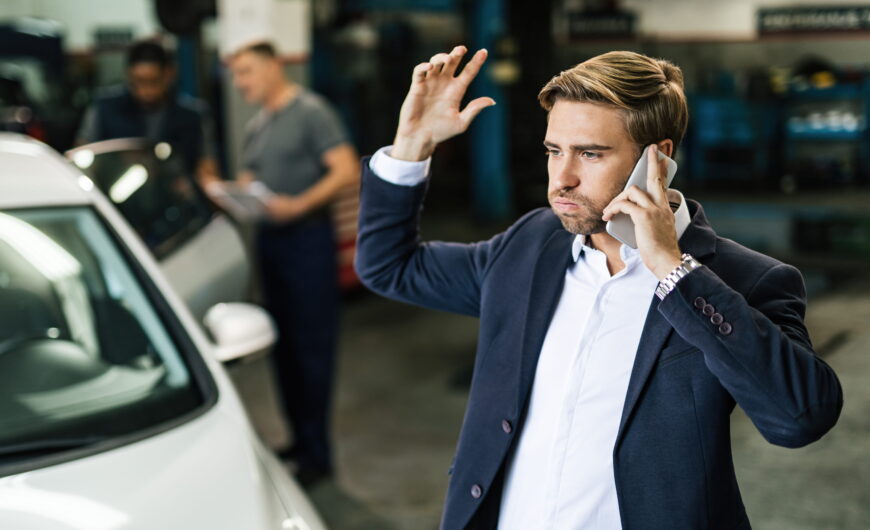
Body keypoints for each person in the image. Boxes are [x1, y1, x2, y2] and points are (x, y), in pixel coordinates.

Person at [354, 47, 843, 529]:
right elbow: (390, 266)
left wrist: (672, 269)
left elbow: (799, 418)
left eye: (590, 153)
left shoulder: (743, 279)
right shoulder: (531, 245)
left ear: (658, 158)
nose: (562, 178)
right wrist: (411, 148)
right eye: (554, 151)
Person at [227, 41, 360, 486]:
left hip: (306, 241)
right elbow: (252, 178)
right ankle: (299, 442)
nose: (240, 83)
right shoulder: (258, 125)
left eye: (246, 72)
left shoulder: (310, 112)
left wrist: (299, 205)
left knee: (311, 349)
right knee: (282, 347)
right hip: (271, 242)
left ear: (271, 67)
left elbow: (345, 170)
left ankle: (317, 454)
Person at [77, 40, 219, 182]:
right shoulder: (105, 108)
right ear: (128, 75)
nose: (146, 91)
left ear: (169, 74)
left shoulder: (193, 115)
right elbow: (83, 155)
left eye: (153, 81)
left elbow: (207, 167)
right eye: (138, 81)